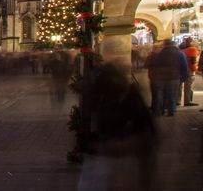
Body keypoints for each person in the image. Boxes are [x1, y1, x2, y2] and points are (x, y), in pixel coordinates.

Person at [78, 63, 155, 191]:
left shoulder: (130, 96)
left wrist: (128, 143)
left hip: (125, 155)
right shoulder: (96, 96)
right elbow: (87, 127)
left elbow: (145, 128)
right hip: (106, 155)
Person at [145, 39, 187, 116]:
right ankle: (171, 111)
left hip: (159, 77)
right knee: (172, 94)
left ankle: (158, 111)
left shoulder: (159, 53)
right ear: (174, 45)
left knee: (159, 95)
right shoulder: (180, 53)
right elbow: (184, 66)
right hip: (174, 77)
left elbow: (152, 65)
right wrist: (183, 77)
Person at [180, 38, 198, 106]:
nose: (196, 43)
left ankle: (178, 101)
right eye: (194, 41)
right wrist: (195, 69)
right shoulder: (193, 49)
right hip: (189, 70)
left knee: (181, 86)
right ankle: (187, 101)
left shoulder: (183, 50)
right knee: (188, 86)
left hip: (183, 69)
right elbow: (193, 61)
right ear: (191, 42)